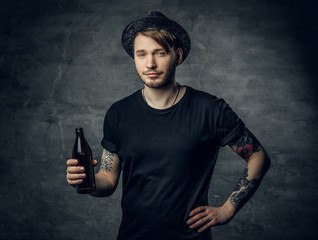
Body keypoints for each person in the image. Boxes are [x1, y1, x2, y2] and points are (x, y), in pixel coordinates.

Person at [66, 10, 271, 240]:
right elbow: (108, 179)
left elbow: (258, 156)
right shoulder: (118, 113)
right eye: (141, 54)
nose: (150, 63)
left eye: (160, 53)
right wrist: (87, 181)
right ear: (134, 58)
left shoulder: (210, 109)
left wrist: (227, 209)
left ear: (178, 56)